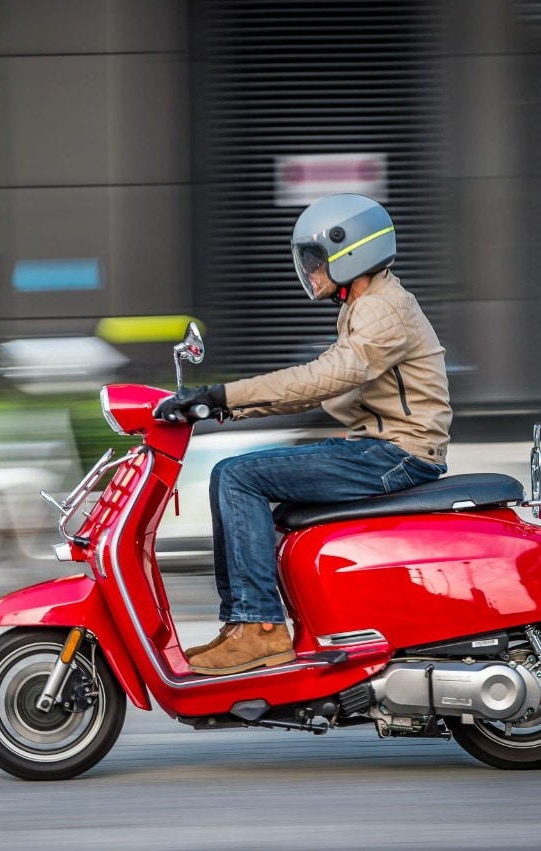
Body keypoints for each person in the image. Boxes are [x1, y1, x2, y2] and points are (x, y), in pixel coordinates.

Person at [154, 193, 453, 676]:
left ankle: (259, 629)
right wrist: (223, 407)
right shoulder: (367, 304)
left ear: (351, 251)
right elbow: (316, 390)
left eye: (316, 259)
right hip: (379, 448)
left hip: (397, 454)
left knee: (237, 477)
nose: (310, 271)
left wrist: (225, 394)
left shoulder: (382, 310)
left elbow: (322, 378)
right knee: (237, 476)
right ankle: (242, 626)